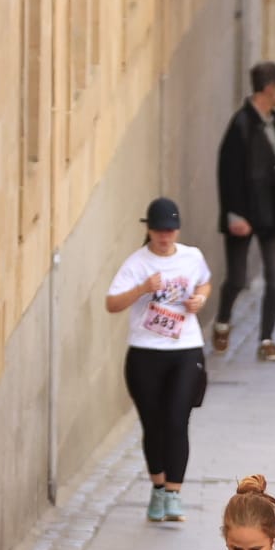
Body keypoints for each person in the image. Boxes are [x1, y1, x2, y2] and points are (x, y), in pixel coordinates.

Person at [105, 196, 212, 523]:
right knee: (153, 425)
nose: (165, 237)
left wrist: (199, 300)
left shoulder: (191, 257)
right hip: (145, 353)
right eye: (159, 231)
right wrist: (142, 288)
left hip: (185, 350)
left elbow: (205, 283)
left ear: (177, 230)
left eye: (170, 230)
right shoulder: (137, 263)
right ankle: (157, 488)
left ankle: (174, 495)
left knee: (178, 421)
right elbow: (112, 303)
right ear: (149, 231)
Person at [214, 61, 275, 363]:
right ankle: (223, 320)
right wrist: (233, 214)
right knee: (237, 278)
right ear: (269, 87)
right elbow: (227, 173)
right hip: (244, 215)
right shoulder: (241, 125)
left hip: (272, 214)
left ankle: (266, 339)